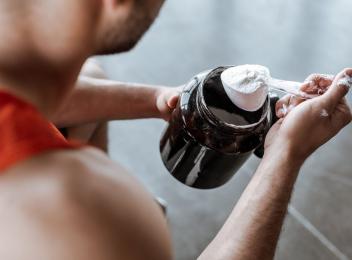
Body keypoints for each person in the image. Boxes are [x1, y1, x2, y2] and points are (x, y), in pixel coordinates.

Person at [0, 1, 350, 260]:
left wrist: (157, 99)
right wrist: (285, 155)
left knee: (93, 75)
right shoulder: (87, 211)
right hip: (85, 226)